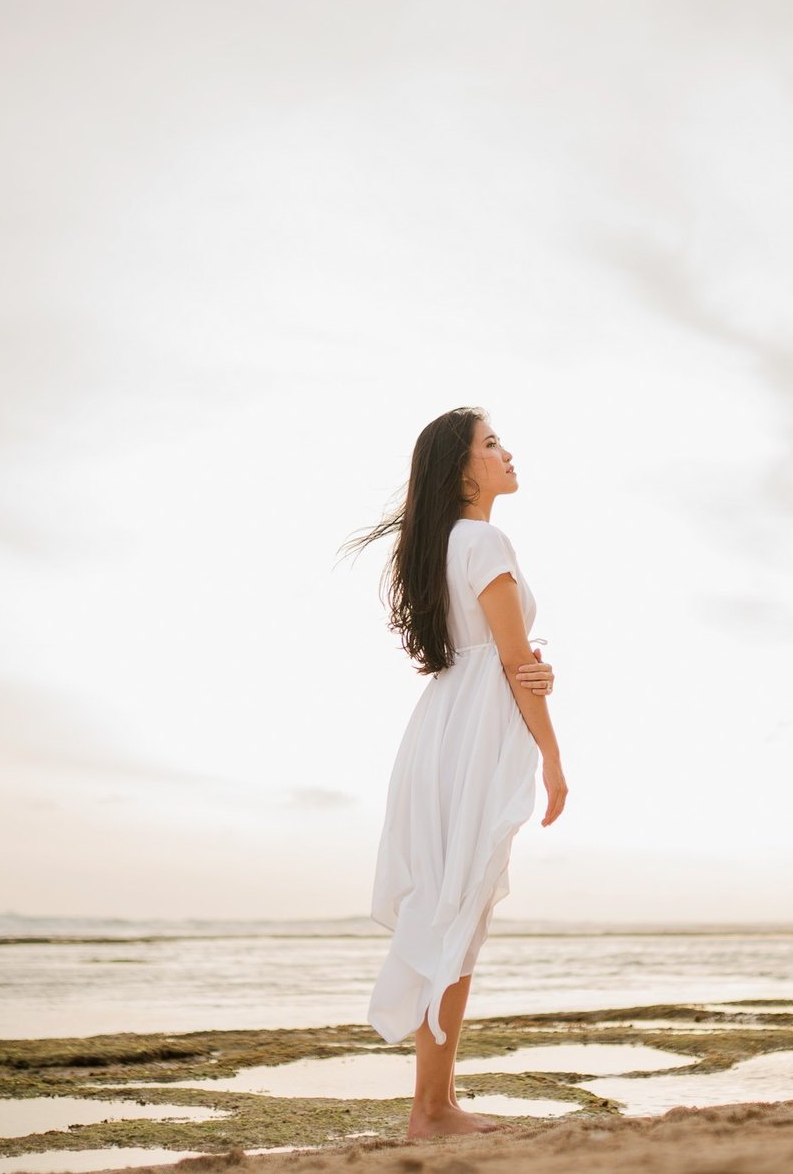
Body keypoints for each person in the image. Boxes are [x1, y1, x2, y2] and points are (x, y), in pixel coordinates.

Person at [340, 406, 569, 1139]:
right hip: (472, 735)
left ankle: (433, 1106)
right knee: (459, 907)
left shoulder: (442, 545)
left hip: (446, 728)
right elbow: (514, 661)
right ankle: (432, 1109)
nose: (507, 452)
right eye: (491, 444)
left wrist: (530, 671)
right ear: (461, 470)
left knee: (452, 908)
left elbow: (496, 655)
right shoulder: (483, 539)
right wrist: (553, 757)